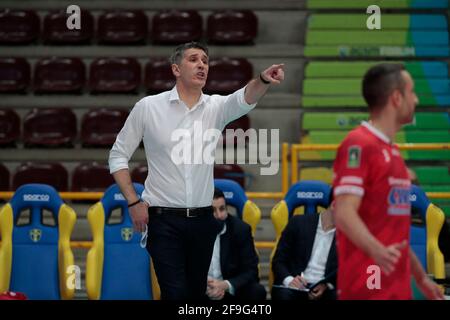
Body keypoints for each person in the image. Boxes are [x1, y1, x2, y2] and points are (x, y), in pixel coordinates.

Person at [108, 41, 284, 300]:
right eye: (193, 59)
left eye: (205, 60)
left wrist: (263, 79)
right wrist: (133, 200)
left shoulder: (216, 107)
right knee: (175, 293)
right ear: (176, 69)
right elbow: (117, 155)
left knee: (194, 296)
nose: (202, 64)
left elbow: (245, 97)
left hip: (203, 220)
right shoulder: (148, 107)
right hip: (163, 220)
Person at [332, 63, 444, 300]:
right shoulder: (359, 144)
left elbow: (397, 235)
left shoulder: (393, 153)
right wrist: (377, 251)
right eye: (412, 92)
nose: (416, 99)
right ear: (396, 98)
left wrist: (422, 278)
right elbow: (343, 211)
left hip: (397, 287)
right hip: (366, 286)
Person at [206, 188, 266, 300]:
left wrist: (225, 285)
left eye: (222, 209)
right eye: (213, 210)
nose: (219, 215)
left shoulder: (241, 230)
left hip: (230, 289)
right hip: (201, 288)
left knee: (257, 291)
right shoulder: (193, 230)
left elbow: (251, 270)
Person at [271, 201, 337, 301]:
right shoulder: (298, 223)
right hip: (294, 286)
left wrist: (327, 285)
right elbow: (278, 260)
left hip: (326, 290)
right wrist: (290, 281)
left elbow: (347, 272)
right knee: (283, 295)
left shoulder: (349, 235)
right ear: (334, 205)